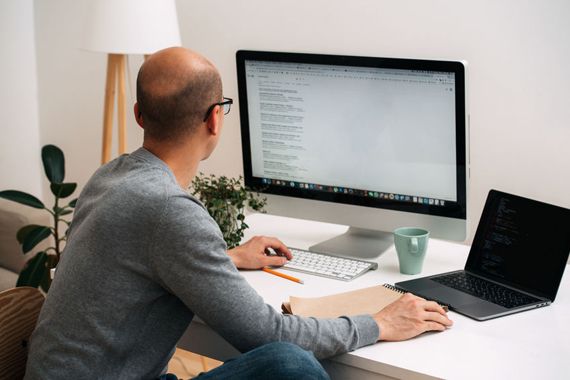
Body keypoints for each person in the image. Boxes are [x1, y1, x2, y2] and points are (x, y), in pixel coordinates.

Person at [25, 47, 452, 379]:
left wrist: (226, 258)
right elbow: (268, 334)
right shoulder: (168, 210)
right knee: (289, 364)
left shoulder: (112, 175)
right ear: (215, 119)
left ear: (139, 115)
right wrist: (379, 323)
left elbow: (130, 263)